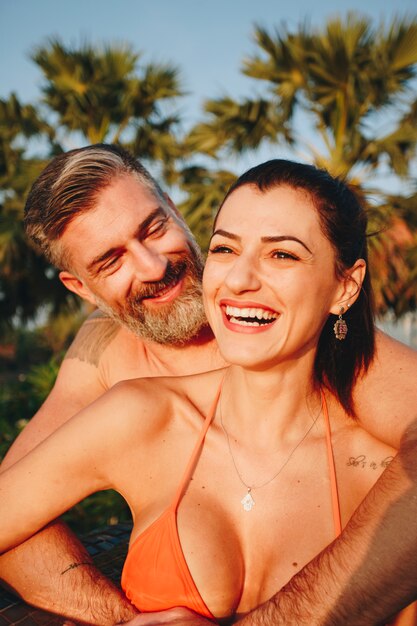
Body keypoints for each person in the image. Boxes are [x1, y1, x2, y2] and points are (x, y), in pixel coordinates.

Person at [0, 146, 416, 625]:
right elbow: (13, 506)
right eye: (111, 261)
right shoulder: (108, 360)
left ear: (176, 211)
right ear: (84, 291)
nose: (152, 266)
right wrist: (119, 618)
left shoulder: (333, 354)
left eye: (153, 228)